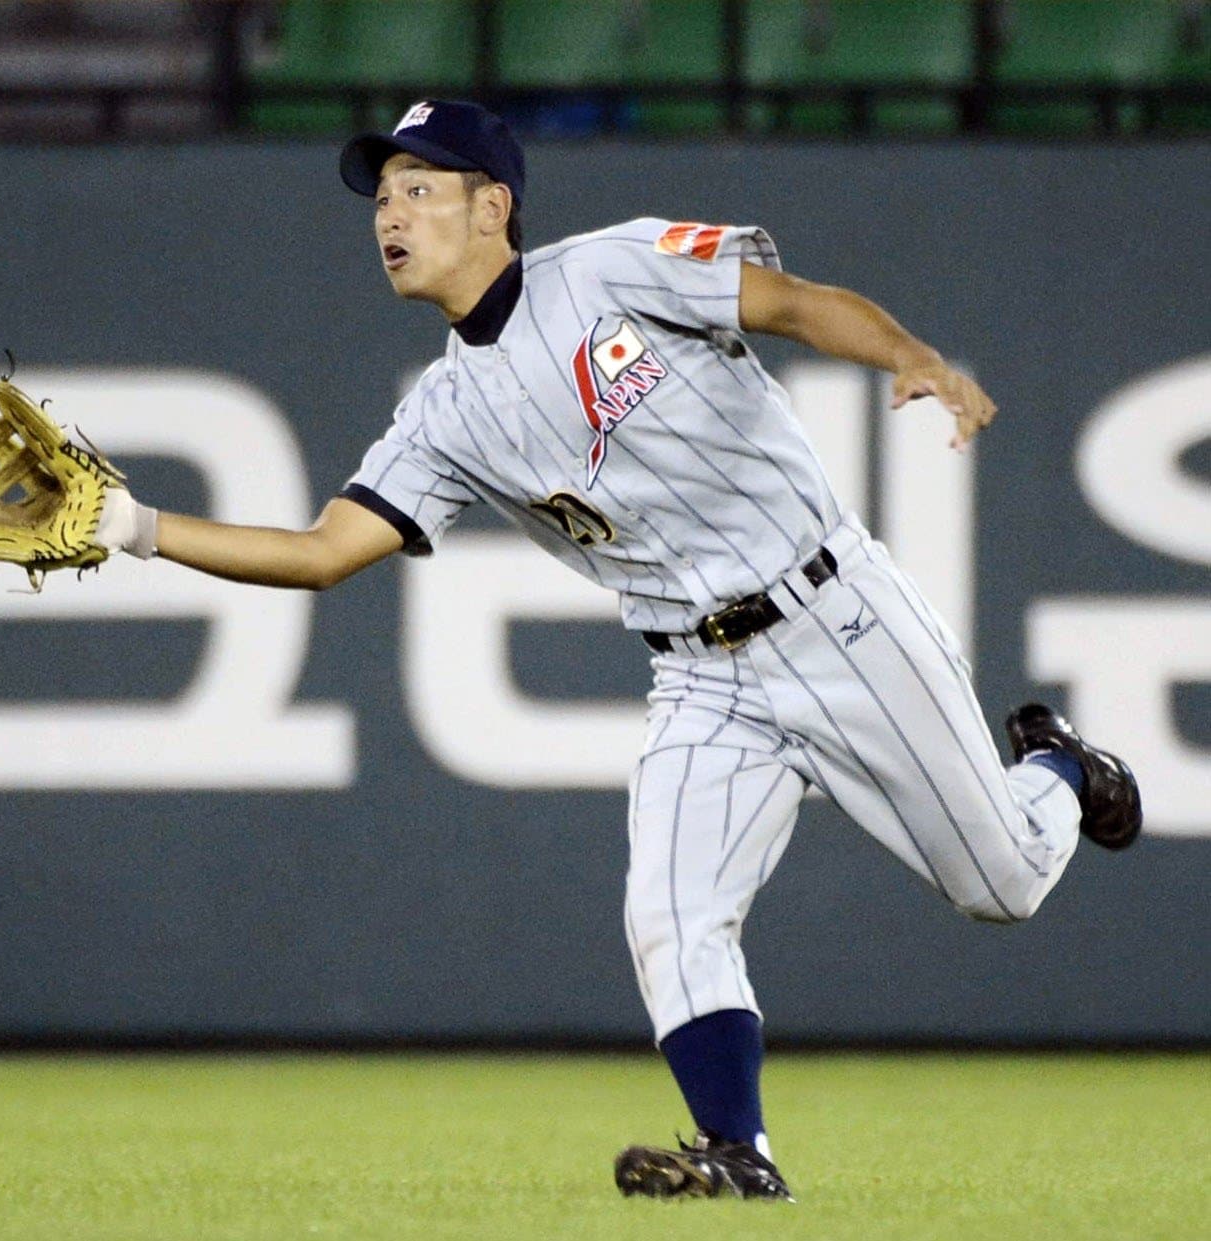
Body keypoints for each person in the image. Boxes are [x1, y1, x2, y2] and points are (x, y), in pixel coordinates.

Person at [99, 100, 1141, 1201]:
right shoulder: (443, 413)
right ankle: (739, 1152)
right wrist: (139, 528)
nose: (388, 216)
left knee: (1003, 883)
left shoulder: (611, 269)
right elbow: (320, 551)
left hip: (833, 613)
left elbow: (788, 302)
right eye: (381, 196)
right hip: (700, 672)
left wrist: (907, 353)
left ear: (490, 205)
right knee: (670, 910)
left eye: (417, 189)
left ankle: (1061, 768)